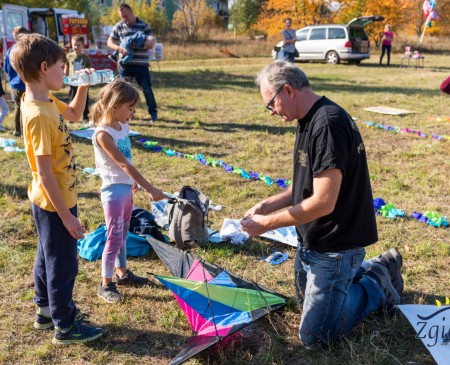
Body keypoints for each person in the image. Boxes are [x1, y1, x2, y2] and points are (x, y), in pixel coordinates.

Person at [241, 60, 403, 348]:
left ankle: (376, 281)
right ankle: (359, 273)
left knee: (315, 336)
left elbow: (323, 203)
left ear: (288, 90)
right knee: (308, 308)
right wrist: (267, 205)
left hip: (336, 246)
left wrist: (265, 225)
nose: (272, 112)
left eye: (270, 104)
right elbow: (304, 186)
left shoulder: (327, 123)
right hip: (312, 242)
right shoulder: (308, 119)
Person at [10, 33, 103, 345]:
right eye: (63, 68)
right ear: (44, 66)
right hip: (54, 202)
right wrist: (67, 217)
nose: (66, 73)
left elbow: (75, 115)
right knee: (62, 265)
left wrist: (84, 86)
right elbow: (46, 173)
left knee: (46, 257)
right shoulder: (37, 114)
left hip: (51, 200)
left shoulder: (45, 100)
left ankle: (46, 311)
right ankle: (65, 326)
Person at [91, 78, 166, 303]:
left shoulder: (122, 126)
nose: (132, 113)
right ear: (115, 107)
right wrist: (150, 188)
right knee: (113, 237)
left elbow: (127, 160)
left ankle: (122, 273)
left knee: (122, 234)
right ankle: (106, 283)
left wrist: (131, 182)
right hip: (113, 193)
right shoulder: (103, 134)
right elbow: (124, 164)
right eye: (130, 108)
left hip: (125, 188)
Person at [107, 3, 158, 122]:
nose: (124, 18)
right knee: (124, 93)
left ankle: (153, 113)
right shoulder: (119, 26)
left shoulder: (144, 25)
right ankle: (128, 116)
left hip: (141, 65)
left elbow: (152, 40)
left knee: (146, 89)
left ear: (131, 12)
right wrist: (118, 48)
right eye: (122, 16)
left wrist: (143, 44)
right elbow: (110, 41)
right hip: (124, 66)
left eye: (126, 15)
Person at [4, 26, 31, 136]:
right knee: (27, 108)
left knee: (18, 107)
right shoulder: (26, 50)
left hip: (14, 85)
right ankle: (25, 131)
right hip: (25, 84)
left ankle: (17, 130)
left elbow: (6, 68)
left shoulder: (10, 50)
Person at [64, 35, 92, 122]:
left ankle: (85, 116)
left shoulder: (85, 57)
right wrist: (65, 76)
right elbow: (67, 67)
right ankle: (71, 116)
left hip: (83, 82)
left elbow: (89, 69)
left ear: (82, 45)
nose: (76, 47)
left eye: (78, 45)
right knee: (72, 98)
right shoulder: (69, 56)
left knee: (84, 99)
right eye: (74, 45)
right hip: (73, 81)